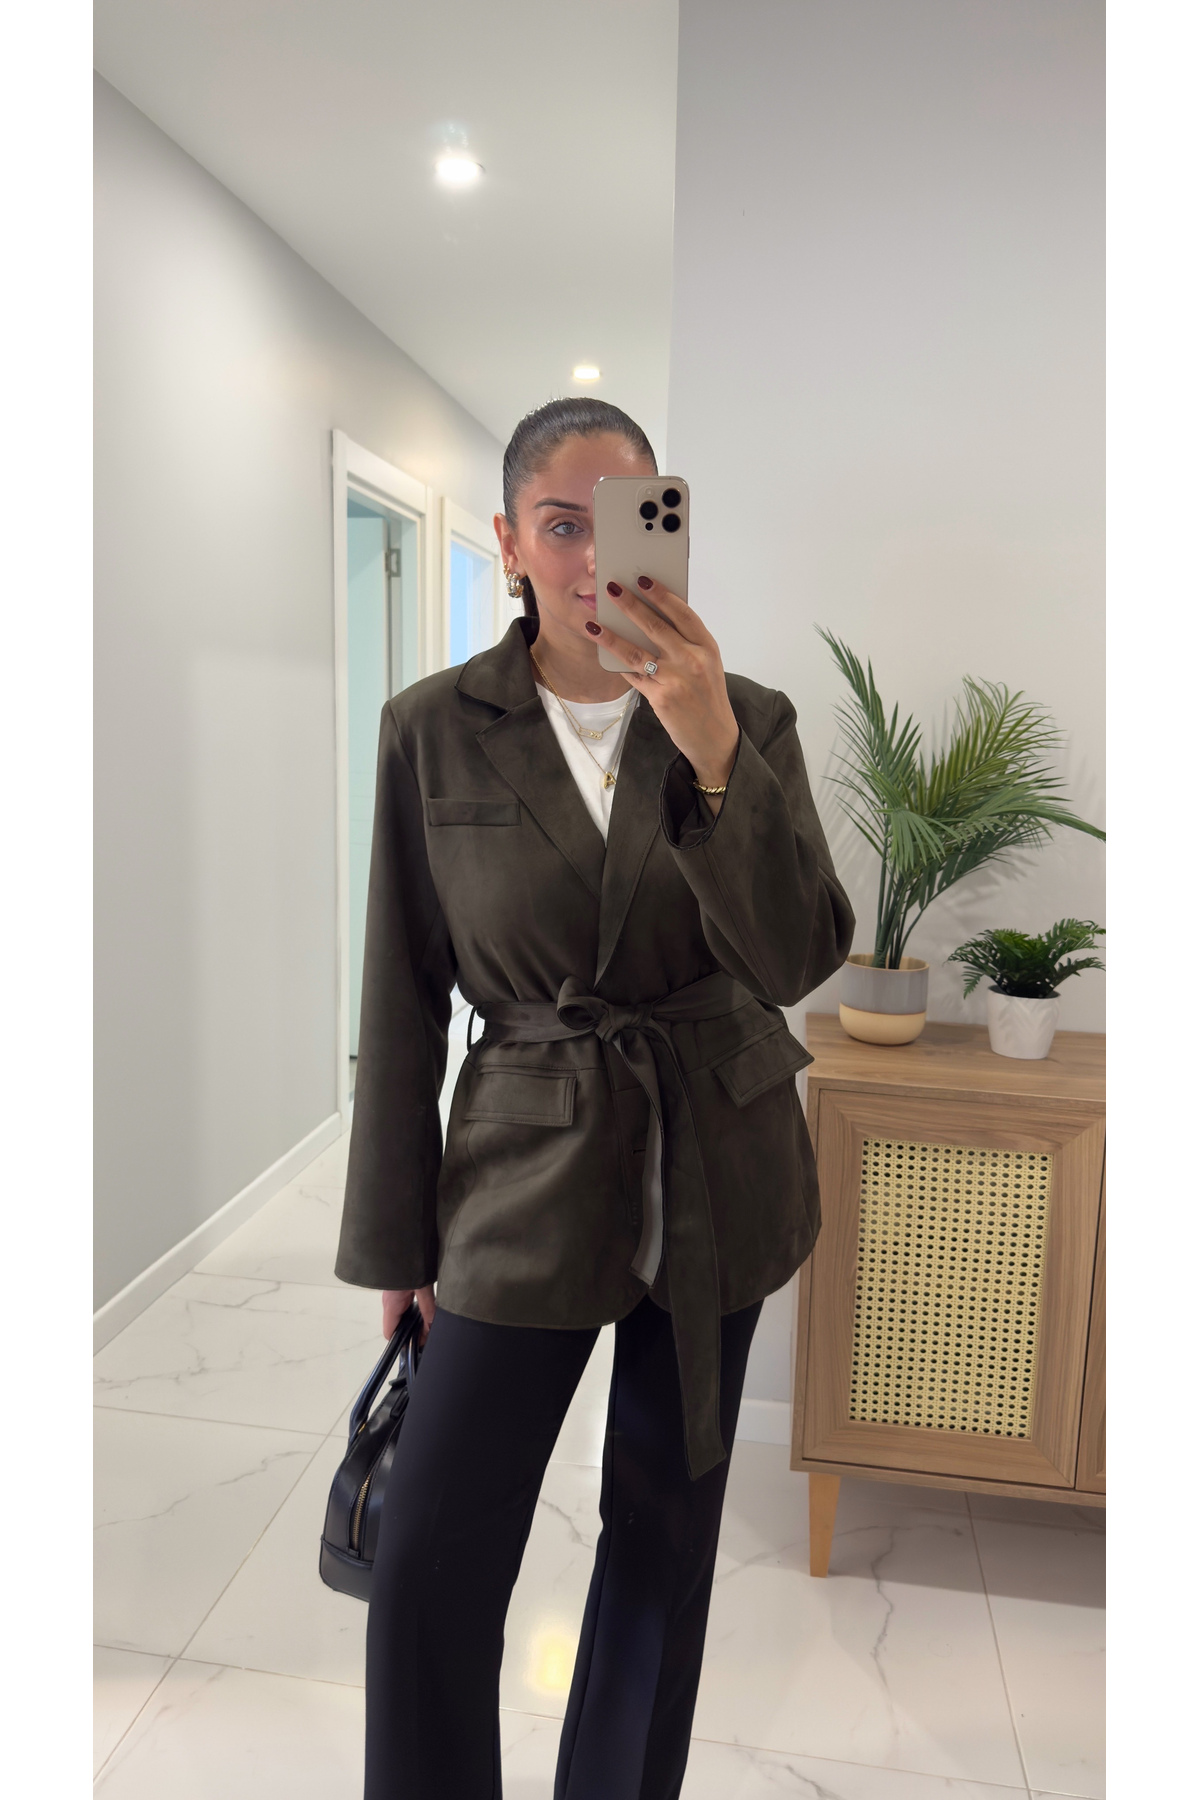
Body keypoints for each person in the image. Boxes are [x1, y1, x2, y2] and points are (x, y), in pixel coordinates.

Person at [335, 396, 854, 1799]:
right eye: (559, 525)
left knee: (661, 1546)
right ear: (509, 543)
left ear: (667, 532)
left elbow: (799, 956)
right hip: (522, 1166)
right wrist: (395, 1244)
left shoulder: (749, 718)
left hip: (718, 1158)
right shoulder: (431, 730)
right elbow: (400, 996)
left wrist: (714, 752)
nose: (590, 561)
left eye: (624, 522)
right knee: (433, 1555)